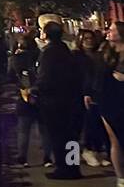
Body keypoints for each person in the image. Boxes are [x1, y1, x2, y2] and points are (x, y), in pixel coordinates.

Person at [33, 22, 83, 179]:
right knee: (71, 136)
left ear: (45, 35)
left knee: (58, 136)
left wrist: (35, 89)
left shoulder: (49, 53)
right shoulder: (65, 50)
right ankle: (73, 167)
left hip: (54, 101)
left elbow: (45, 77)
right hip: (70, 99)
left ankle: (63, 168)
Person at [9, 33, 45, 167]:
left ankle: (22, 158)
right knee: (43, 128)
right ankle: (47, 158)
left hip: (23, 95)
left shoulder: (15, 59)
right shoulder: (40, 56)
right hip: (40, 94)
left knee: (23, 129)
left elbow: (10, 77)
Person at [75, 28, 109, 167]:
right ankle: (87, 150)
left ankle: (98, 150)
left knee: (98, 123)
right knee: (86, 123)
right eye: (85, 38)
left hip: (98, 93)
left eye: (91, 38)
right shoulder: (77, 57)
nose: (89, 41)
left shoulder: (99, 56)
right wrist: (84, 92)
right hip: (82, 94)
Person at [97, 21, 124, 187]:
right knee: (115, 140)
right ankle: (121, 179)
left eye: (113, 30)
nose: (109, 32)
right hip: (109, 100)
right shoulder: (106, 53)